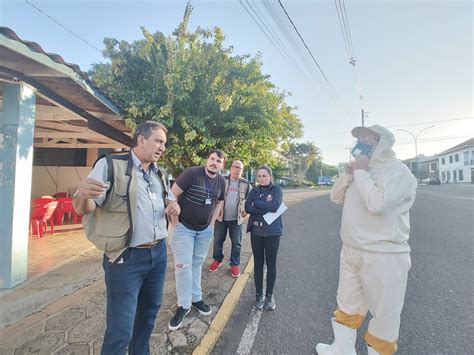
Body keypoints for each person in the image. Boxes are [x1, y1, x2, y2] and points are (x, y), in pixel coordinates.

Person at [73, 121, 180, 355]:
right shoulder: (110, 164)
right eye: (158, 141)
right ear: (141, 139)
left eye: (164, 143)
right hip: (126, 258)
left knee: (148, 314)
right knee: (121, 329)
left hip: (157, 254)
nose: (162, 147)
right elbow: (85, 207)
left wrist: (174, 206)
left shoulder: (159, 173)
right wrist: (83, 194)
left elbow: (168, 199)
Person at [316, 124, 417, 355]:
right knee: (347, 302)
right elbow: (335, 196)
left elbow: (377, 204)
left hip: (384, 255)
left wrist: (361, 172)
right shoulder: (360, 168)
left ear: (381, 142)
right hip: (351, 249)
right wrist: (350, 173)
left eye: (367, 139)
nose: (361, 142)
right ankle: (341, 348)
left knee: (384, 315)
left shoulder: (398, 171)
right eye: (359, 138)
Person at [168, 149, 226, 330]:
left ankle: (196, 298)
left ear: (222, 165)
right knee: (183, 267)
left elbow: (219, 203)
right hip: (183, 228)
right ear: (207, 160)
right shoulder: (192, 173)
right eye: (212, 159)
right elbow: (171, 195)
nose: (214, 163)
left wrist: (211, 225)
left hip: (204, 231)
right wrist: (175, 223)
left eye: (218, 161)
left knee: (196, 265)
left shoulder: (221, 181)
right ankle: (183, 305)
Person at [244, 166, 284, 311]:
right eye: (259, 176)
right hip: (256, 231)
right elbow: (247, 207)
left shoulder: (276, 190)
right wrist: (262, 206)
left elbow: (275, 206)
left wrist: (257, 203)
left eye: (264, 175)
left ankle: (269, 295)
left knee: (271, 263)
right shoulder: (254, 191)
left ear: (270, 176)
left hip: (273, 232)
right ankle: (259, 294)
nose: (261, 178)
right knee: (258, 264)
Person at [209, 160, 251, 278]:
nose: (237, 169)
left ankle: (234, 263)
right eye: (235, 167)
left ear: (242, 170)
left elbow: (250, 199)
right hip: (221, 217)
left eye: (240, 168)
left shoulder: (246, 184)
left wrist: (247, 211)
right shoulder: (222, 179)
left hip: (236, 220)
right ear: (231, 168)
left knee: (236, 242)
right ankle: (217, 259)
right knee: (218, 240)